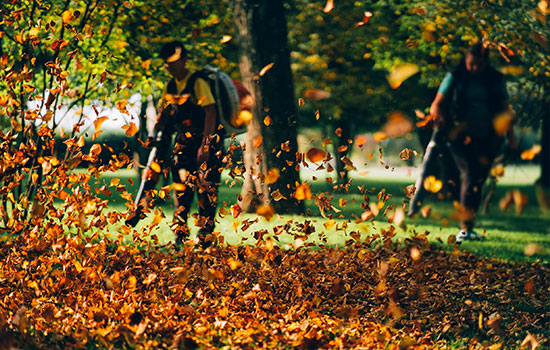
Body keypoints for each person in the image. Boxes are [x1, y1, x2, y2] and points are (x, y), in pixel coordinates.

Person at [126, 41, 224, 247]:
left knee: (205, 190)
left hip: (206, 145)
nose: (170, 66)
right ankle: (180, 234)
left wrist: (205, 147)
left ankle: (205, 235)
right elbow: (164, 114)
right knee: (182, 190)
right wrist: (154, 134)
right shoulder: (170, 87)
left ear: (184, 60)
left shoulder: (197, 82)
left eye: (174, 61)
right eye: (167, 63)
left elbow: (211, 112)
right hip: (184, 146)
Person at [421, 42, 515, 241]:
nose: (473, 68)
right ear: (465, 60)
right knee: (471, 173)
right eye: (471, 64)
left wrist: (511, 137)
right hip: (459, 136)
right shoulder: (455, 76)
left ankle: (468, 227)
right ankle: (465, 229)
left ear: (485, 63)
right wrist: (437, 116)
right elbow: (436, 104)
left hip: (489, 136)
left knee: (478, 179)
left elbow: (505, 110)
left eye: (478, 65)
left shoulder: (495, 79)